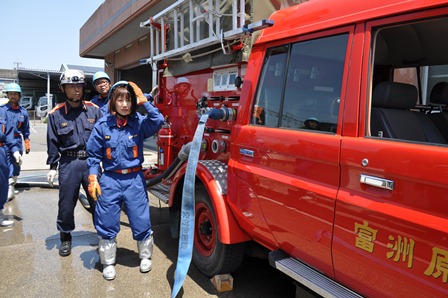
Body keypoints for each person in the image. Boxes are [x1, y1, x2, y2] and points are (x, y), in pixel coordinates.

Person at [86, 81, 163, 280]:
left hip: (135, 179)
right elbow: (93, 155)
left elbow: (158, 120)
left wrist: (144, 102)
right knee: (107, 220)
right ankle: (109, 262)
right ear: (113, 102)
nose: (125, 104)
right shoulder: (103, 125)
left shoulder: (138, 122)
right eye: (120, 99)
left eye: (129, 99)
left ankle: (145, 256)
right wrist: (94, 177)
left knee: (141, 218)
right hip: (110, 179)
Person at [46, 69, 102, 257]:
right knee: (66, 203)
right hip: (69, 163)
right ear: (63, 89)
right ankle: (65, 237)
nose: (77, 90)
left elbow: (104, 138)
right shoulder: (56, 114)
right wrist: (53, 166)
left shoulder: (94, 110)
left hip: (91, 163)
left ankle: (104, 236)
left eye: (79, 86)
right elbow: (52, 141)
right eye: (72, 86)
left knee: (97, 200)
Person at [2, 83, 30, 201]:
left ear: (19, 96)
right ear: (7, 95)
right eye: (11, 94)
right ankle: (7, 188)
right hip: (4, 143)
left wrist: (27, 141)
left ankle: (12, 186)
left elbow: (26, 129)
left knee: (16, 164)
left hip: (17, 142)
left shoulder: (23, 112)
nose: (13, 96)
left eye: (15, 94)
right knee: (5, 165)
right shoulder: (2, 111)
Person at [0, 107, 21, 227]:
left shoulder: (2, 113)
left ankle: (0, 215)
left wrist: (15, 151)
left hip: (1, 150)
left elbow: (9, 134)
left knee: (2, 183)